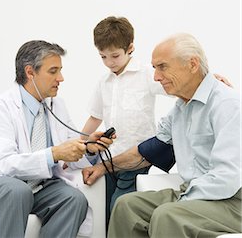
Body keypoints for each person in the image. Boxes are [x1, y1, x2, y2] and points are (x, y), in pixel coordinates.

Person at [82, 33, 241, 237]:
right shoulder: (180, 109)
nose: (156, 77)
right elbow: (147, 152)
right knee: (125, 206)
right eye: (155, 68)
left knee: (166, 215)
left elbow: (227, 178)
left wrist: (183, 200)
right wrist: (102, 168)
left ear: (193, 64)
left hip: (232, 200)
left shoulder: (227, 105)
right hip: (194, 193)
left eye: (162, 67)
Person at [0, 40, 114, 238]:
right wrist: (54, 154)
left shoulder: (56, 105)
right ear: (30, 72)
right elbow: (4, 164)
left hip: (41, 185)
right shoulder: (1, 108)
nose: (61, 78)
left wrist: (89, 147)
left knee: (74, 200)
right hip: (6, 184)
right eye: (53, 71)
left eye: (60, 70)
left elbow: (70, 147)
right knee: (17, 191)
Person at [82, 16, 166, 226]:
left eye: (115, 56)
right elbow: (95, 116)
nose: (109, 63)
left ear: (130, 48)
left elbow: (176, 88)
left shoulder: (147, 73)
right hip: (108, 160)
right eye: (103, 57)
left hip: (137, 159)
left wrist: (208, 80)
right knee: (105, 215)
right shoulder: (104, 81)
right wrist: (79, 145)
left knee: (121, 208)